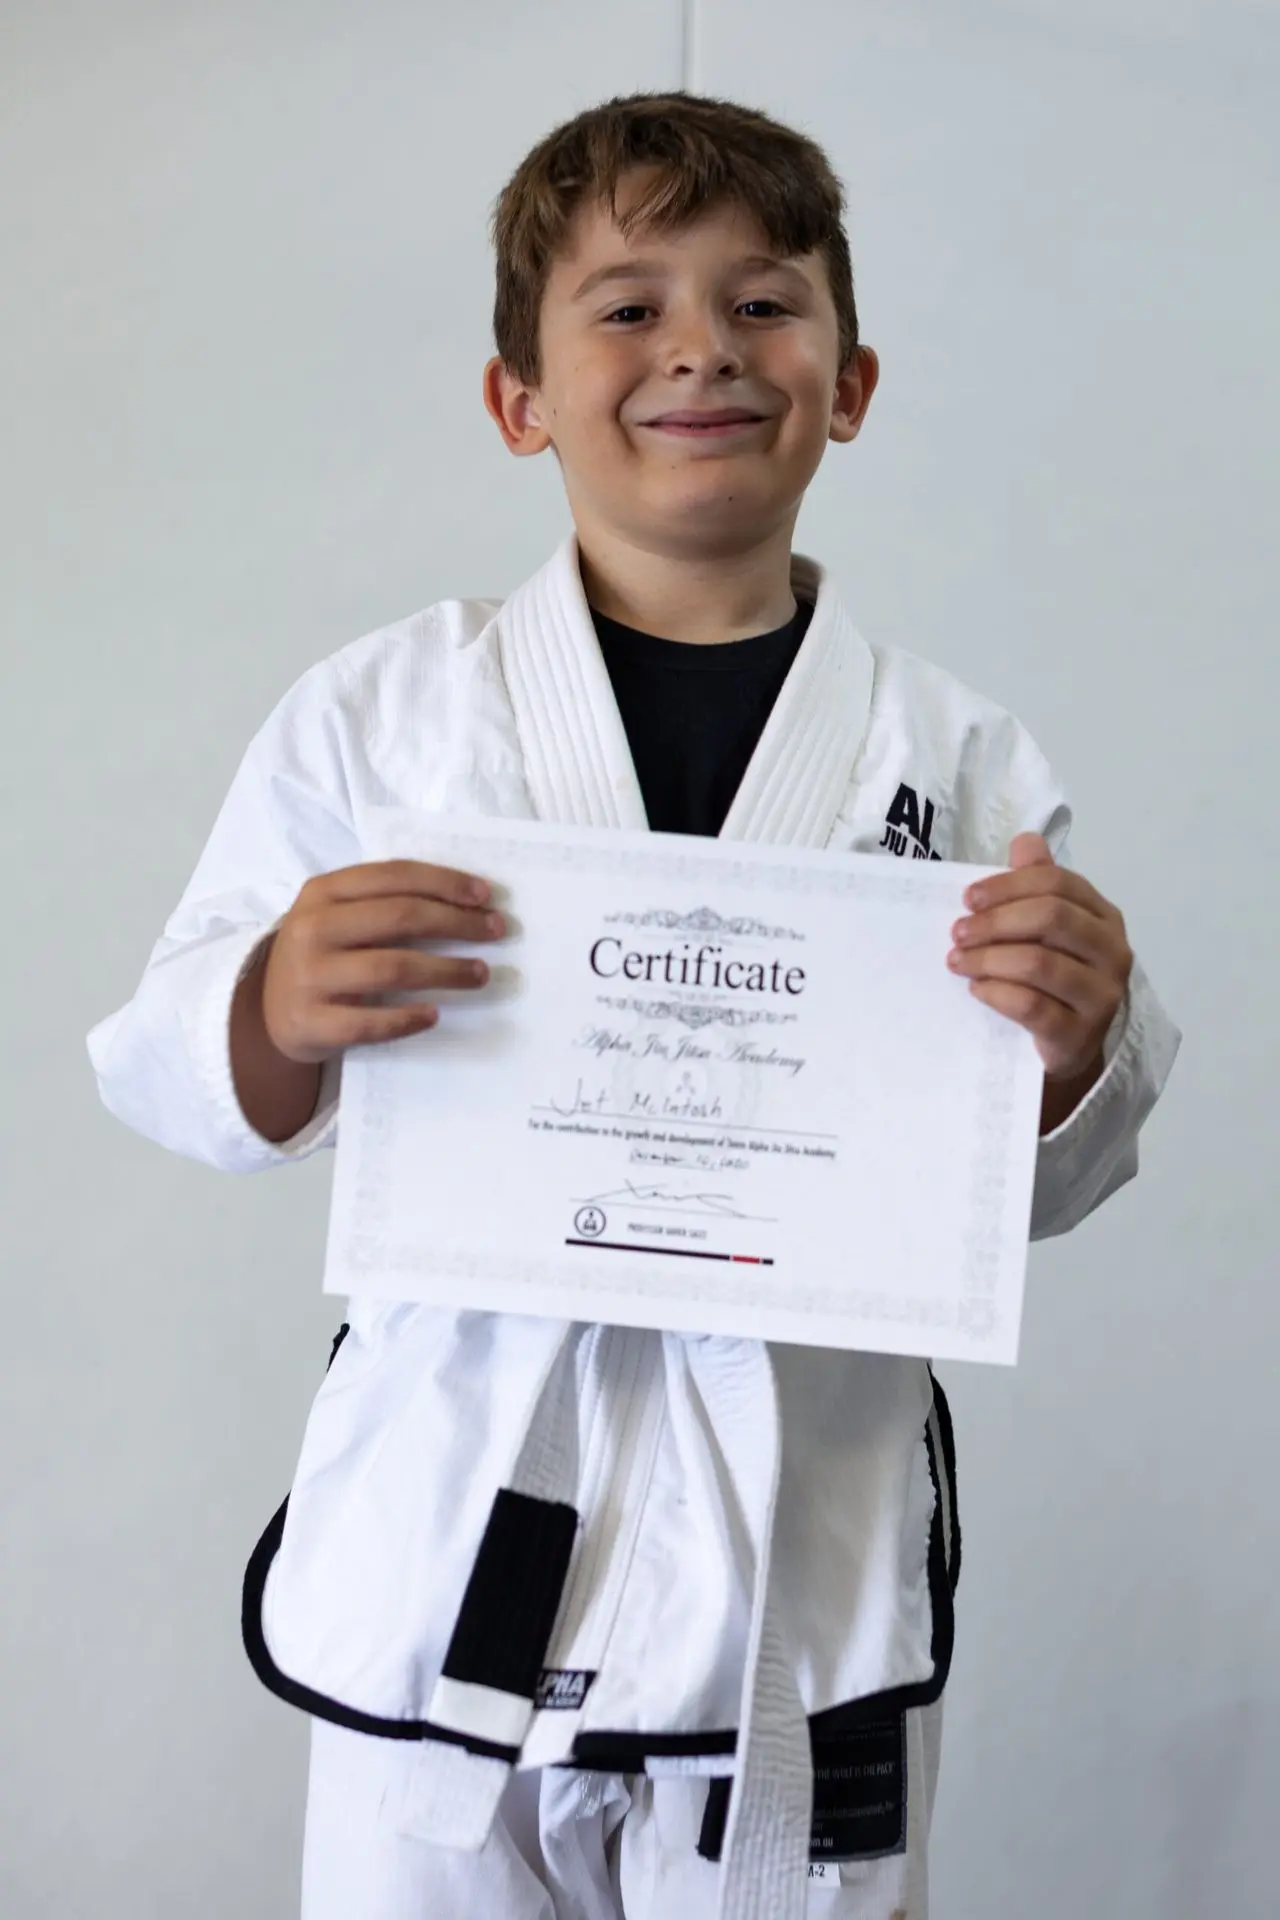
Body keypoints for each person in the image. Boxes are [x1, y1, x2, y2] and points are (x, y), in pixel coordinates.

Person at [87, 91, 1179, 1920]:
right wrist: (275, 1004)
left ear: (852, 380)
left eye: (765, 304)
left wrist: (1075, 1053)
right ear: (520, 398)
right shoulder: (387, 716)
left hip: (795, 1565)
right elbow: (165, 1063)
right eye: (627, 307)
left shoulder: (957, 755)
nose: (702, 349)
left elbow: (1039, 1189)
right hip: (454, 1528)